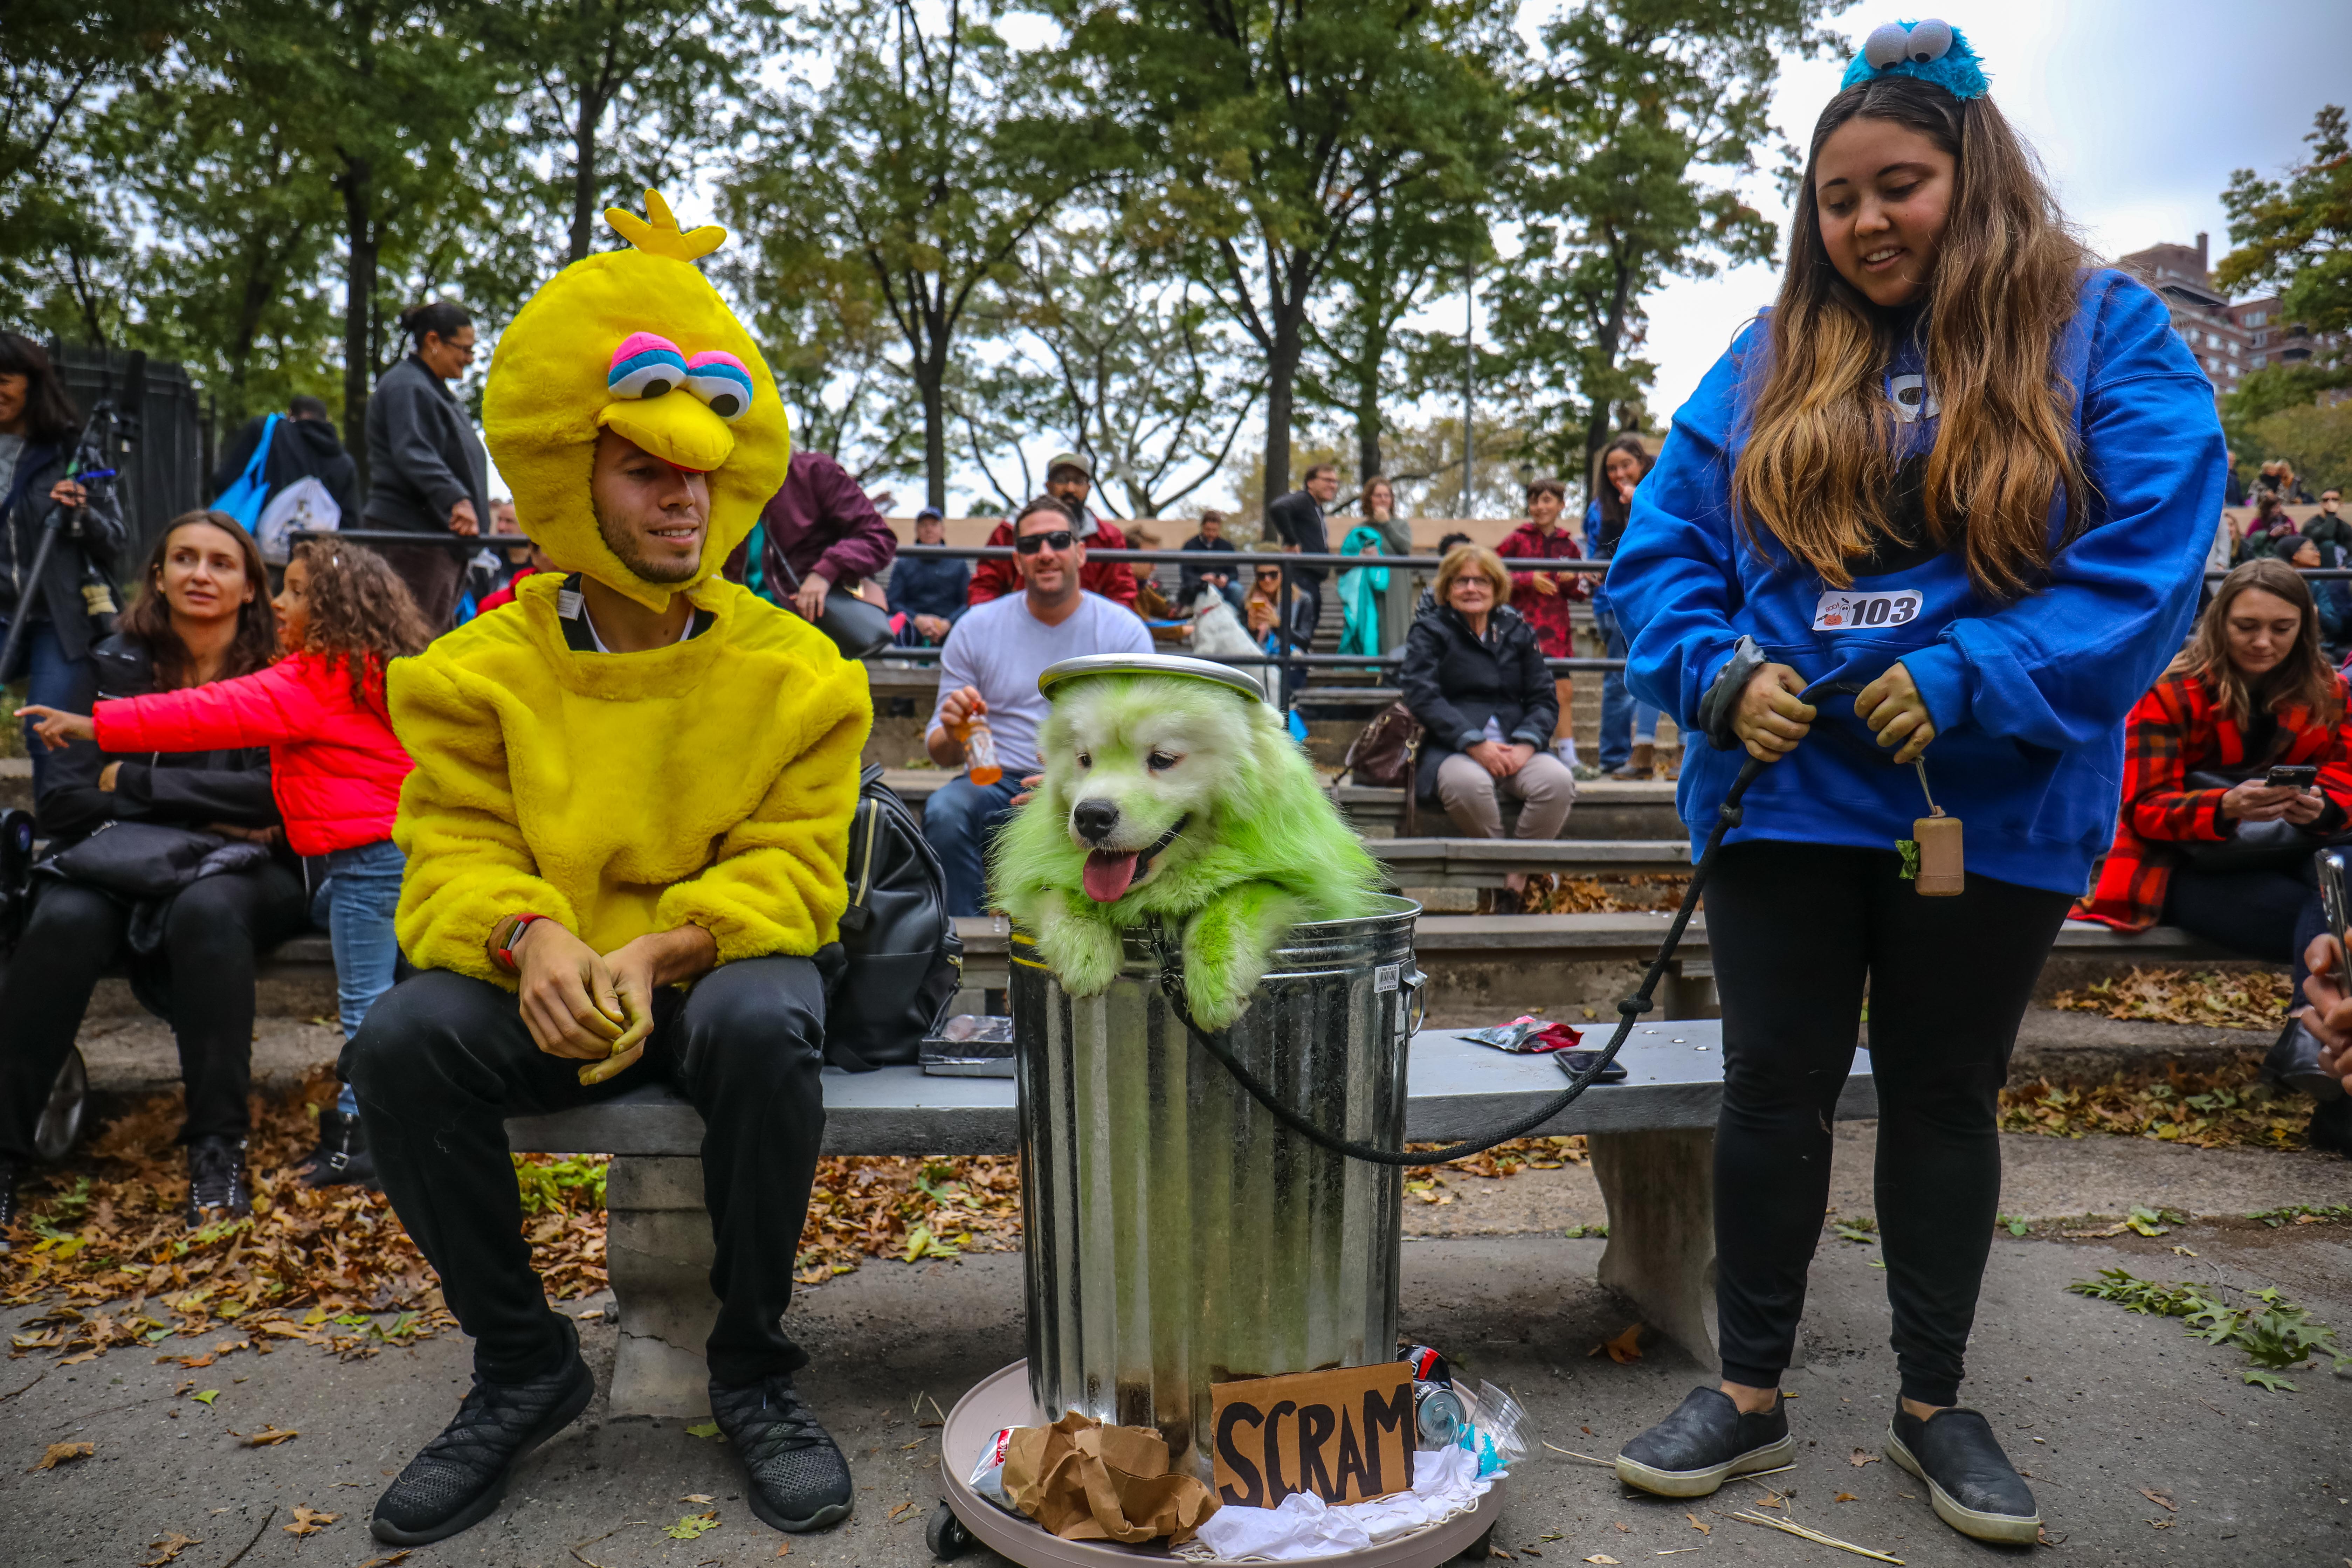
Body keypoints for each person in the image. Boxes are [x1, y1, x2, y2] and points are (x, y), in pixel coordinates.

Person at [1603, 27, 2221, 1544]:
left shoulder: (2103, 329)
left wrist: (1969, 674)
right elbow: (1658, 553)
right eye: (1835, 200)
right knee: (1770, 1089)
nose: (1865, 222)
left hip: (1988, 799)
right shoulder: (1765, 352)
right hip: (1782, 793)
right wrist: (1709, 671)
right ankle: (1744, 1389)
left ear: (1971, 175)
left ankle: (1935, 1399)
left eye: (1900, 187)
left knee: (1942, 1095)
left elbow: (2147, 558)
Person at [342, 194, 869, 1547]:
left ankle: (753, 1370)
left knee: (765, 1018)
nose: (682, 496)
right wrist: (530, 940)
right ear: (572, 476)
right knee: (400, 1041)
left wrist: (656, 950)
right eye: (644, 468)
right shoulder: (476, 672)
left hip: (695, 982)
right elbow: (451, 847)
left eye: (698, 470)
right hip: (544, 980)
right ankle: (522, 1365)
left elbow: (800, 870)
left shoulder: (799, 670)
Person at [22, 539, 430, 1188]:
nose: (278, 602)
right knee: (378, 986)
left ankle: (364, 1140)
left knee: (365, 1007)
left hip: (362, 867)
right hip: (374, 862)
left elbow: (202, 714)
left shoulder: (310, 680)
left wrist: (95, 726)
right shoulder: (376, 671)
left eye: (294, 591)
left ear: (331, 610)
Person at [0, 512, 294, 1233]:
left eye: (221, 563)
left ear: (251, 587)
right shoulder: (107, 665)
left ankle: (218, 1150)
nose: (201, 573)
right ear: (157, 576)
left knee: (208, 907)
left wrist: (129, 777)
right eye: (183, 559)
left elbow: (278, 798)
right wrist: (204, 805)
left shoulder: (279, 675)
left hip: (248, 868)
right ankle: (5, 1152)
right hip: (114, 858)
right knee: (65, 917)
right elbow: (66, 797)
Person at [2074, 561, 2352, 1149]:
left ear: (2304, 629)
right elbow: (2143, 807)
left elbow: (2348, 776)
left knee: (2341, 882)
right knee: (2336, 914)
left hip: (2294, 857)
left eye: (2281, 628)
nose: (2262, 642)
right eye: (2247, 625)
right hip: (2178, 870)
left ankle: (2312, 1050)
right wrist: (2225, 806)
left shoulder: (2327, 690)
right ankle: (2324, 1068)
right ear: (2219, 621)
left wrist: (2324, 807)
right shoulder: (2170, 689)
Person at [925, 497, 1153, 916]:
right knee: (944, 811)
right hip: (993, 778)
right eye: (1031, 545)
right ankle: (962, 947)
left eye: (1058, 540)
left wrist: (1065, 784)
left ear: (1080, 552)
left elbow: (1144, 738)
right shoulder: (975, 628)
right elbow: (939, 752)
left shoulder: (1123, 631)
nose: (1045, 553)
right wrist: (954, 729)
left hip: (1090, 780)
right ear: (1017, 560)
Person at [1400, 545, 1573, 912]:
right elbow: (1422, 694)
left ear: (1496, 587)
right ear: (1447, 589)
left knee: (1557, 782)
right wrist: (1473, 742)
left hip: (1516, 745)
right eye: (1462, 581)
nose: (1471, 588)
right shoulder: (1430, 631)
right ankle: (1501, 884)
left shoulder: (1516, 630)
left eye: (1481, 580)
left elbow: (1544, 698)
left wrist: (1527, 744)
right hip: (1452, 747)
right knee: (1469, 785)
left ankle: (1513, 878)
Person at [0, 333, 127, 793]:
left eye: (4, 380)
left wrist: (83, 513)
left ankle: (56, 845)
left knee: (48, 732)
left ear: (33, 385)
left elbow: (117, 538)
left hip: (61, 617)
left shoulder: (72, 453)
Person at [365, 300, 489, 629]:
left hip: (433, 539)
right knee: (412, 640)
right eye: (463, 349)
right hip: (410, 537)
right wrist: (457, 500)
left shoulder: (431, 389)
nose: (469, 358)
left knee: (430, 638)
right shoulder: (408, 385)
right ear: (433, 341)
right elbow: (414, 451)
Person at [1497, 476, 1590, 769]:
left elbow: (1579, 593)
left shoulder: (1569, 545)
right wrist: (1527, 579)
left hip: (1557, 633)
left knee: (1563, 691)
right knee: (1525, 690)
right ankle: (1531, 747)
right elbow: (1493, 575)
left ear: (1561, 506)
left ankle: (1568, 755)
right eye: (1534, 500)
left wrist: (1573, 579)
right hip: (1522, 631)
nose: (1539, 506)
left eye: (1547, 500)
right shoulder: (1516, 539)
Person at [741, 447, 898, 621]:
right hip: (739, 625)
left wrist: (825, 572)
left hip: (808, 621)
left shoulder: (816, 470)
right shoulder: (718, 481)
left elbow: (878, 538)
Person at [966, 453, 1138, 609]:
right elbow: (985, 588)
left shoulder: (1109, 537)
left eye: (1078, 481)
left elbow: (1122, 593)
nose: (1070, 489)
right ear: (1048, 486)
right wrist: (990, 625)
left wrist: (1106, 629)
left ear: (1088, 488)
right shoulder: (1009, 531)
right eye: (1062, 480)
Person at [1588, 435, 1666, 779]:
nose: (1618, 473)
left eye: (1625, 465)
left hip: (1653, 599)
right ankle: (1616, 756)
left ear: (1642, 462)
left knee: (1650, 671)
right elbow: (1604, 548)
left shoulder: (1660, 490)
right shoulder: (1601, 507)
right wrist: (1595, 564)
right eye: (1610, 469)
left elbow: (1664, 536)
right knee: (1617, 681)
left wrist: (1639, 502)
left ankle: (1659, 751)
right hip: (1613, 604)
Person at [209, 393, 361, 522]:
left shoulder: (266, 432)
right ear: (327, 419)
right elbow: (351, 520)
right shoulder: (344, 462)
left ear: (289, 414)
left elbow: (225, 481)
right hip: (317, 552)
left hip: (259, 549)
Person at [1265, 462, 1339, 632]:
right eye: (1327, 480)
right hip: (1300, 578)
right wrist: (1292, 541)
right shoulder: (1304, 500)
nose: (1333, 485)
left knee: (1305, 633)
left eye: (1335, 482)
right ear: (1311, 483)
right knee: (1297, 632)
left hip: (1312, 580)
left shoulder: (1317, 509)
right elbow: (1278, 508)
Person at [886, 505, 968, 647]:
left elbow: (968, 602)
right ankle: (900, 668)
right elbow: (893, 602)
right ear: (917, 531)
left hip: (950, 626)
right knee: (891, 626)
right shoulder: (904, 563)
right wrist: (917, 620)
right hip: (911, 626)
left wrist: (947, 623)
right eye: (923, 525)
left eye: (934, 525)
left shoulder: (958, 563)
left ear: (943, 530)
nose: (929, 529)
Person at [1243, 557, 1317, 702]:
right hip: (1258, 664)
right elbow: (1241, 646)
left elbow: (1305, 641)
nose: (1268, 580)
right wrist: (1251, 629)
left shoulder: (1302, 599)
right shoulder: (1247, 602)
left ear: (1283, 573)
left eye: (1273, 574)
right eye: (1261, 576)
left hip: (1290, 666)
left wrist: (1278, 625)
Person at [1335, 519, 1390, 656]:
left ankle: (1370, 669)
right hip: (1352, 604)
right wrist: (1359, 557)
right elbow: (1340, 571)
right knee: (1353, 631)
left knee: (1369, 632)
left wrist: (1374, 561)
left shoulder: (1379, 557)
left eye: (1372, 542)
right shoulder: (1349, 558)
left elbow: (1380, 583)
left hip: (1369, 603)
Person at [1178, 510, 1246, 614]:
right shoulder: (1190, 545)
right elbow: (1186, 573)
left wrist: (1225, 579)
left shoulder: (1227, 546)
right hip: (1199, 587)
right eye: (1208, 530)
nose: (1211, 534)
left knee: (1236, 589)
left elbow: (1234, 573)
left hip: (1223, 587)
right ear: (1202, 527)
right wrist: (1202, 579)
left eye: (1214, 530)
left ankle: (1234, 617)